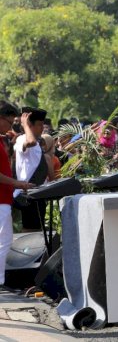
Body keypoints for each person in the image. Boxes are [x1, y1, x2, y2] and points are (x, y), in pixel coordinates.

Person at [0, 102, 34, 289]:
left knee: (4, 243)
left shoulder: (1, 140)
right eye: (9, 122)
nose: (10, 127)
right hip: (0, 200)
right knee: (2, 243)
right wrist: (18, 183)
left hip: (4, 199)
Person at [13, 107, 50, 232]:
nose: (42, 128)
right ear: (30, 125)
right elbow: (31, 142)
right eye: (39, 125)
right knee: (29, 232)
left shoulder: (38, 142)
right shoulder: (22, 139)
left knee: (38, 231)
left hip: (38, 193)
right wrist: (25, 124)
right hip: (27, 195)